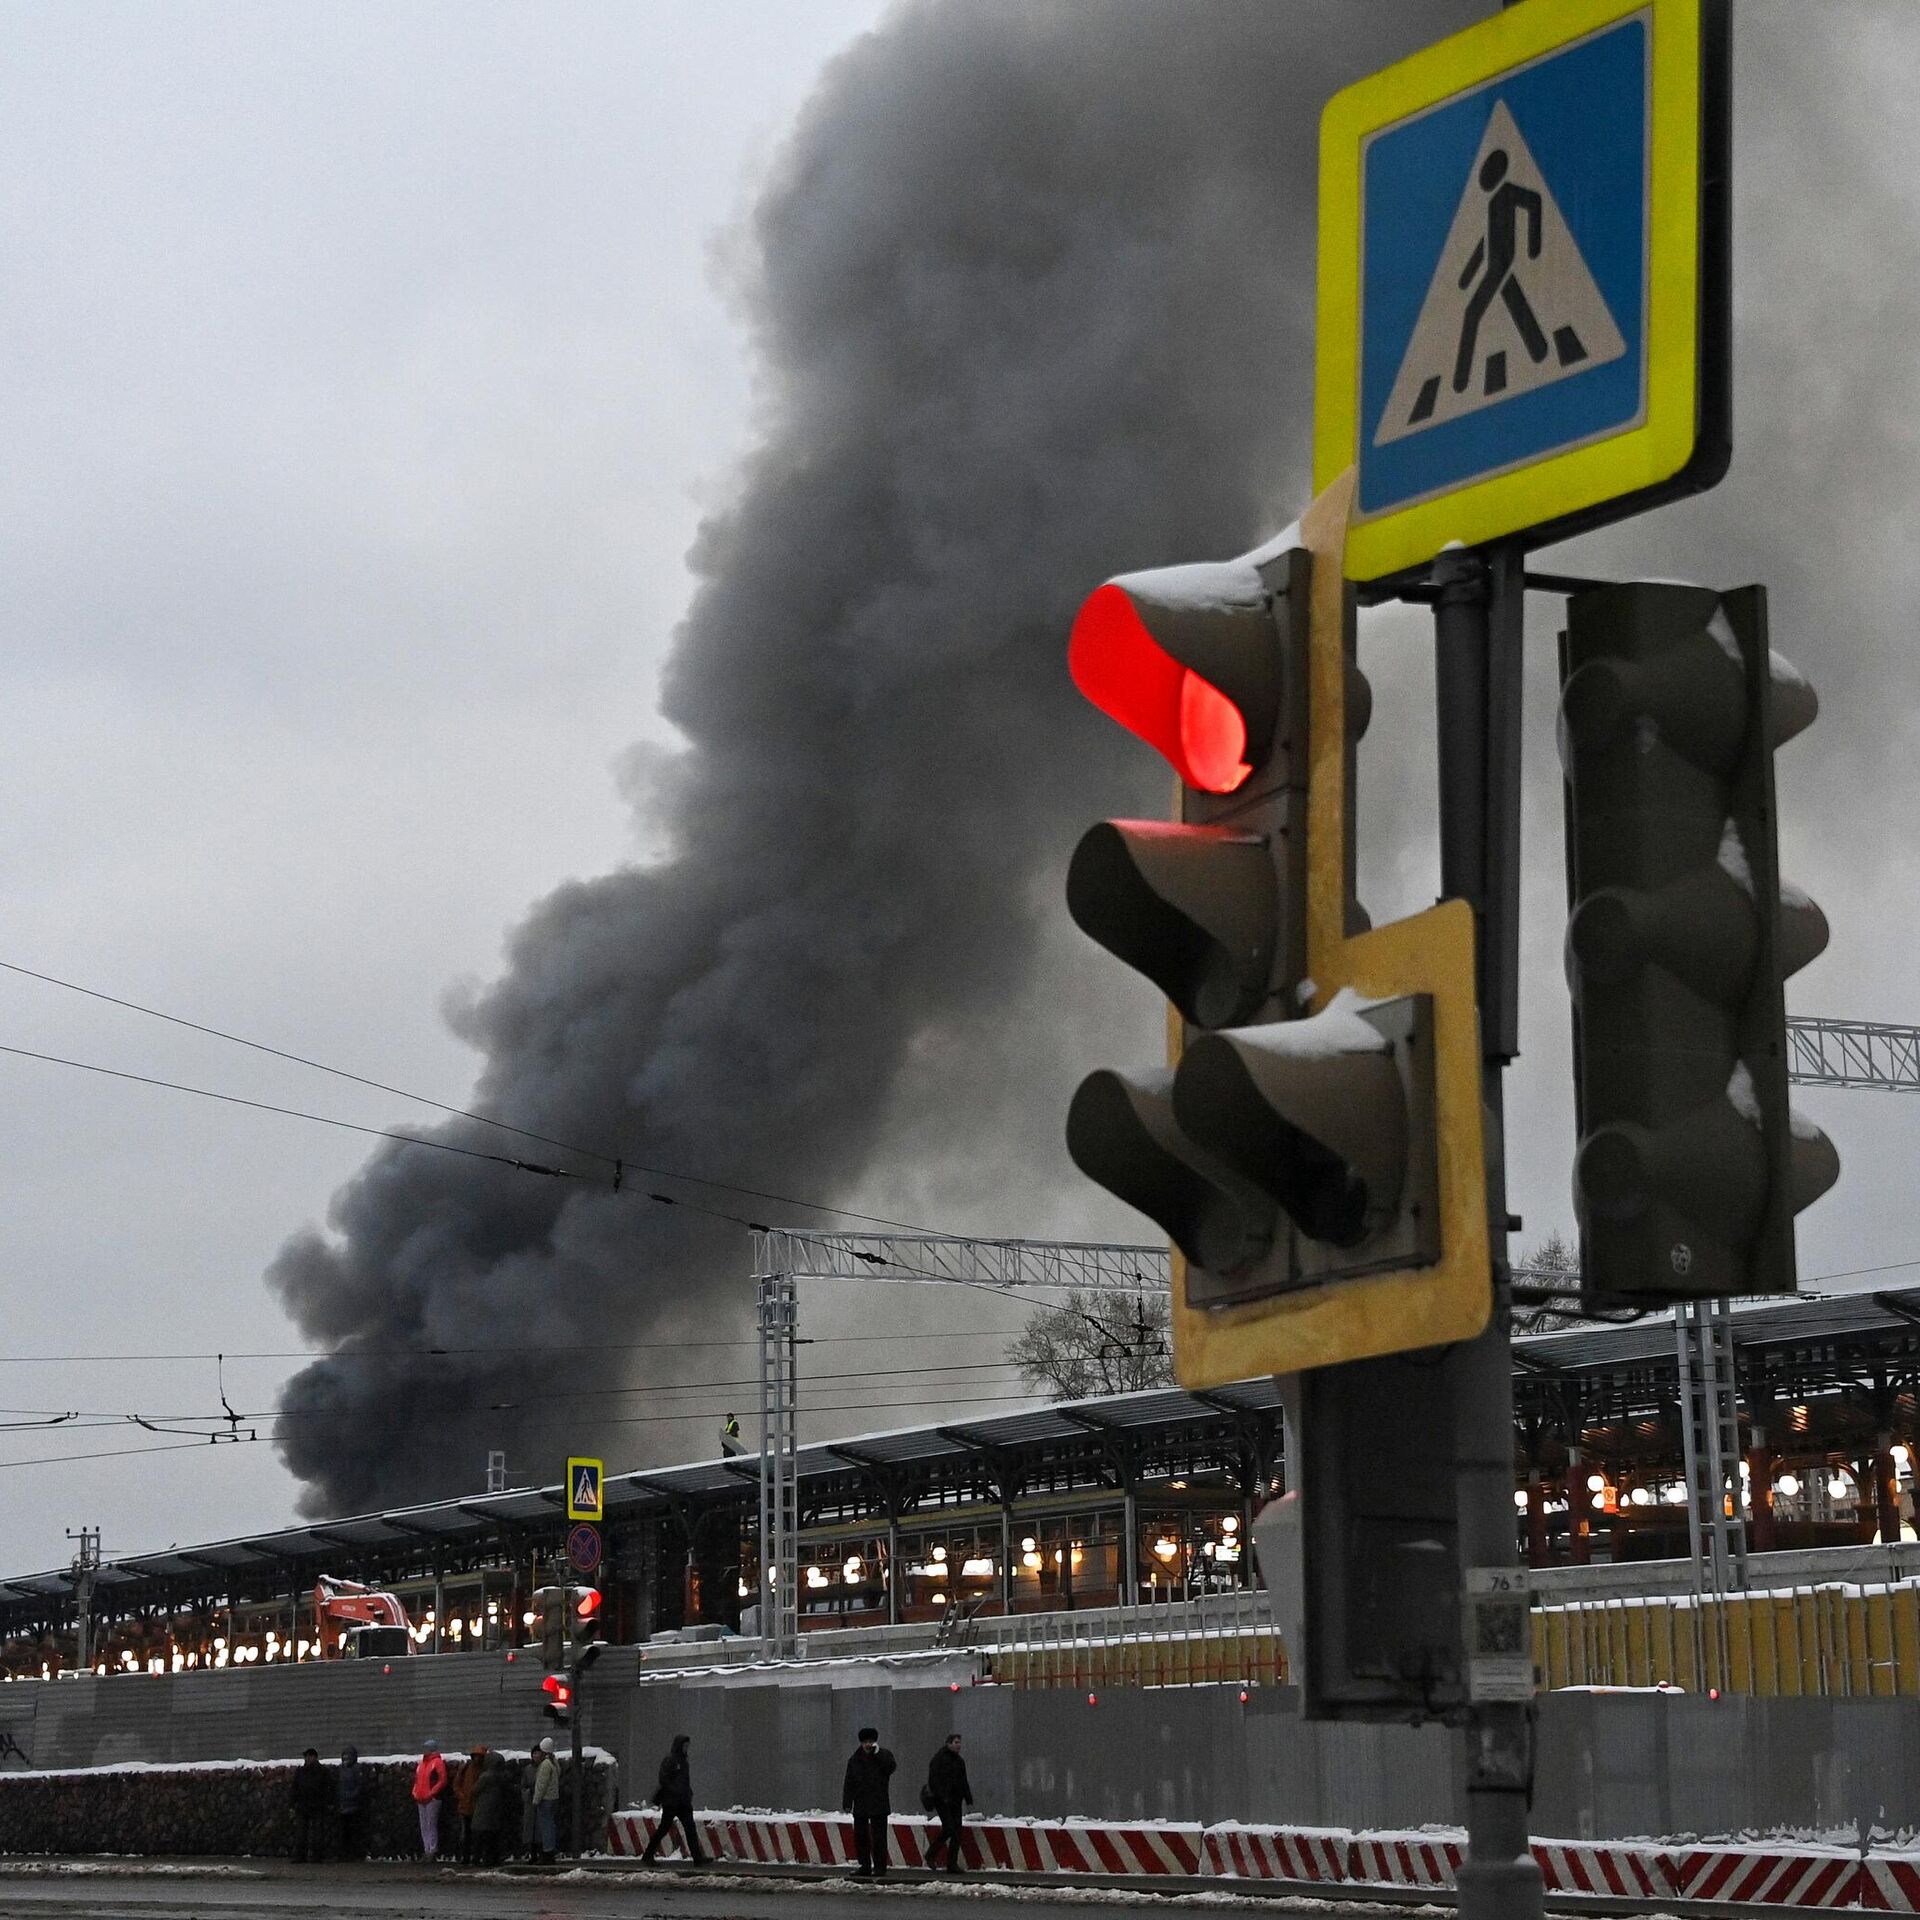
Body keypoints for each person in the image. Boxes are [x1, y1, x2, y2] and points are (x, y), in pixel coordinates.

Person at [841, 1725, 897, 1879]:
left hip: (879, 1803)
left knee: (879, 1838)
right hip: (861, 1803)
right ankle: (864, 1866)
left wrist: (878, 1755)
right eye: (865, 1741)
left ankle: (880, 1867)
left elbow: (890, 1768)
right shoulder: (854, 1759)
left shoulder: (883, 1755)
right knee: (861, 1837)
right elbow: (849, 1782)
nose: (867, 1744)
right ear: (861, 1742)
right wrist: (847, 1802)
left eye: (870, 1741)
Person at [640, 1733, 704, 1865]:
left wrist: (688, 1793)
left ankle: (697, 1857)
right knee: (664, 1828)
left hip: (683, 1801)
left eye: (687, 1745)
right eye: (685, 1745)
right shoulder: (670, 1760)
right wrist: (676, 1791)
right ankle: (648, 1854)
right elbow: (664, 1779)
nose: (686, 1748)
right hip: (672, 1802)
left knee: (690, 1828)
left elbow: (684, 1781)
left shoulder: (683, 1761)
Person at [924, 1734, 973, 1875]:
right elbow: (933, 1780)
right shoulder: (938, 1759)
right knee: (949, 1828)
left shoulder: (959, 1761)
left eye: (959, 1742)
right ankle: (931, 1854)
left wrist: (968, 1798)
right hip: (943, 1801)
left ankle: (952, 1864)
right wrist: (942, 1795)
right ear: (948, 1744)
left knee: (957, 1832)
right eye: (956, 1742)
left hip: (956, 1800)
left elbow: (963, 1781)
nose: (959, 1745)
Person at [470, 1748, 512, 1867]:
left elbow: (475, 1790)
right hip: (496, 1810)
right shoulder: (503, 1775)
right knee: (493, 1838)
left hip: (483, 1809)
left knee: (480, 1837)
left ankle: (478, 1858)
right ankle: (493, 1858)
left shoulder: (486, 1776)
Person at [290, 1747, 330, 1863]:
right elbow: (295, 1788)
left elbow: (328, 1788)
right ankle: (300, 1856)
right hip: (303, 1805)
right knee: (301, 1833)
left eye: (308, 1756)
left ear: (314, 1757)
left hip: (317, 1805)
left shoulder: (322, 1771)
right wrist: (293, 1803)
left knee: (317, 1833)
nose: (306, 1759)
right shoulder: (301, 1771)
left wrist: (327, 1802)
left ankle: (317, 1856)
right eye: (306, 1757)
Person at [412, 1739, 449, 1858]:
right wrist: (415, 1792)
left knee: (431, 1824)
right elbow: (417, 1780)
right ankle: (426, 1848)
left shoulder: (437, 1762)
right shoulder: (422, 1763)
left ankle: (432, 1849)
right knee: (424, 1825)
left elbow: (442, 1780)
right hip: (421, 1797)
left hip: (432, 1798)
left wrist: (432, 1793)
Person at [454, 1745, 488, 1864]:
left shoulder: (484, 1770)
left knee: (476, 1835)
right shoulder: (466, 1768)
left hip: (477, 1807)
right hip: (466, 1807)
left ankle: (474, 1857)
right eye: (475, 1756)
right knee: (466, 1835)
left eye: (480, 1757)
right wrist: (462, 1796)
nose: (477, 1759)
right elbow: (457, 1784)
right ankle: (466, 1857)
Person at [531, 1735, 562, 1863]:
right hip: (553, 1798)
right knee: (550, 1825)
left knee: (545, 1827)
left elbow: (541, 1785)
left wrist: (535, 1800)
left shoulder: (545, 1765)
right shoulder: (554, 1763)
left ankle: (547, 1853)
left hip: (546, 1799)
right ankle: (550, 1851)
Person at [335, 1744, 367, 1861]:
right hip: (343, 1805)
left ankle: (355, 1854)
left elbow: (359, 1786)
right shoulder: (341, 1770)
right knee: (344, 1832)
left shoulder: (357, 1769)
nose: (346, 1760)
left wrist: (351, 1796)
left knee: (354, 1832)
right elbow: (339, 1786)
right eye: (344, 1757)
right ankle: (344, 1853)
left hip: (354, 1806)